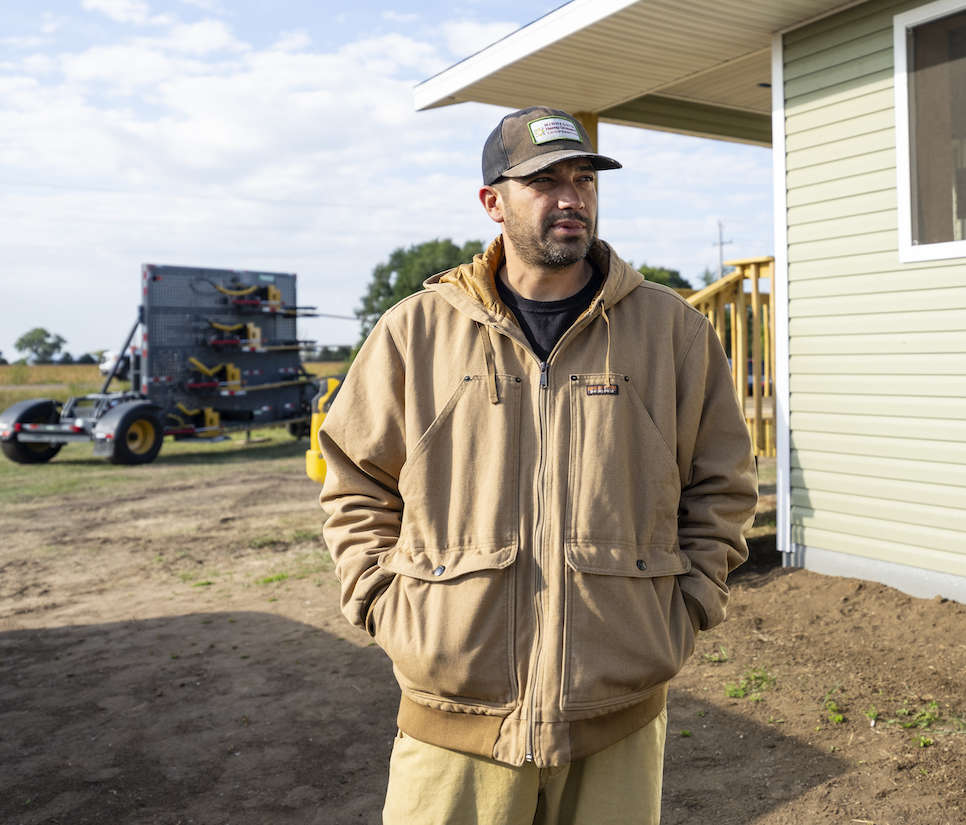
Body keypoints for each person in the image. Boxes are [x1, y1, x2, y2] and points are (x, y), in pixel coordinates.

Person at [319, 106, 757, 824]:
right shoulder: (415, 332)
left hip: (617, 712)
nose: (571, 197)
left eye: (583, 179)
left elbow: (723, 484)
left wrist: (687, 606)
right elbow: (354, 478)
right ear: (492, 201)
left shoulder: (671, 331)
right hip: (451, 715)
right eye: (544, 180)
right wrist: (383, 599)